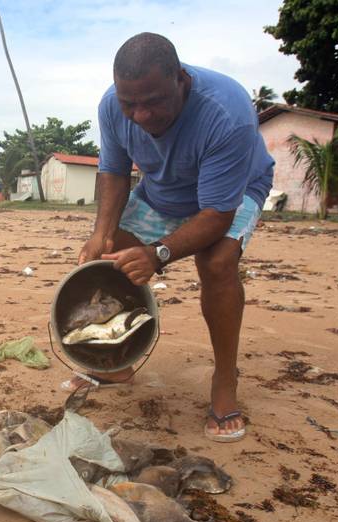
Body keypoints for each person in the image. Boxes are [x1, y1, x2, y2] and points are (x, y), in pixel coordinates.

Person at [75, 32, 275, 443]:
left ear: (181, 80)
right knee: (112, 251)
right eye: (131, 104)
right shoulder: (113, 107)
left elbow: (216, 216)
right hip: (164, 188)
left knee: (216, 262)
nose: (142, 116)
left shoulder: (227, 112)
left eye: (153, 101)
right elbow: (114, 172)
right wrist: (101, 234)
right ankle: (119, 358)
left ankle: (224, 380)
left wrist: (158, 253)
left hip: (232, 191)